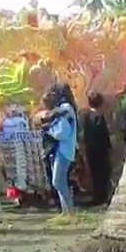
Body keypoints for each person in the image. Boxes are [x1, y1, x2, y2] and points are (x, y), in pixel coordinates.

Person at [36, 83, 79, 215]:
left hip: (63, 149)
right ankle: (65, 212)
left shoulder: (65, 108)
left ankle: (70, 212)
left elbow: (62, 132)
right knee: (59, 181)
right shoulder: (65, 108)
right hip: (61, 149)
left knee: (58, 181)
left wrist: (48, 129)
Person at [81, 92, 113, 206]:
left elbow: (85, 135)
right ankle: (102, 196)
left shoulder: (86, 117)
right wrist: (108, 148)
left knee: (95, 174)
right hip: (101, 151)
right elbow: (104, 135)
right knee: (102, 174)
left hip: (91, 150)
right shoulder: (99, 117)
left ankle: (97, 196)